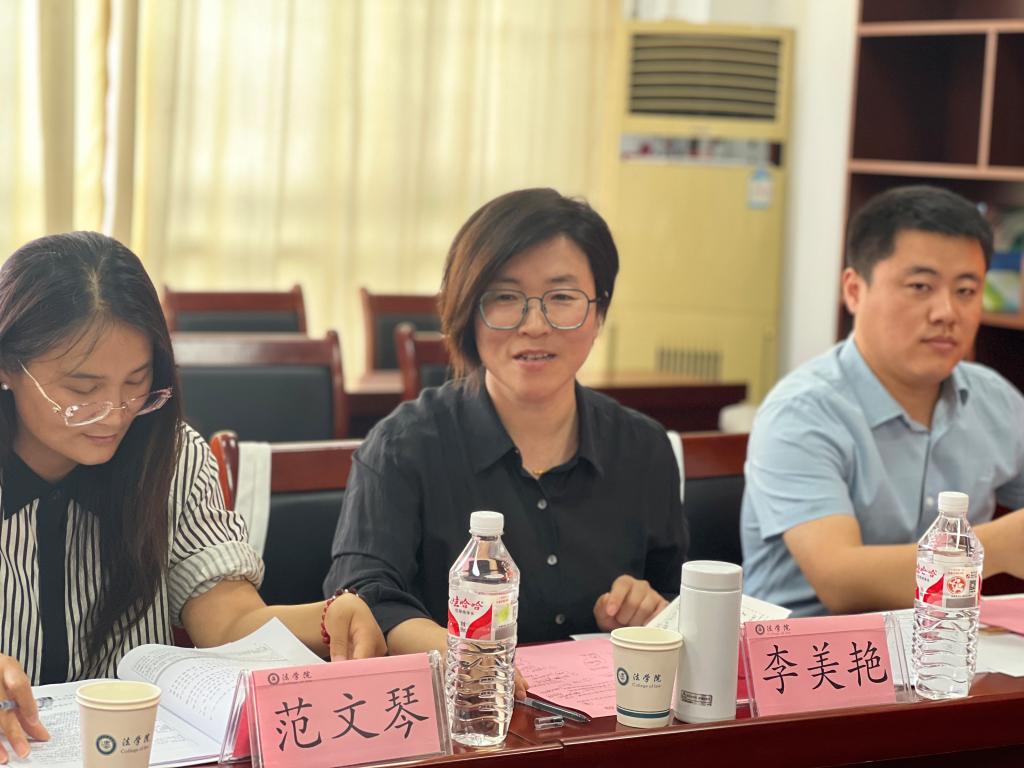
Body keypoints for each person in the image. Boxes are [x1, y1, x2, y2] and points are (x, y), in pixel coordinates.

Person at [0, 232, 386, 762]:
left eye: (136, 383)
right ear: (7, 366)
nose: (114, 415)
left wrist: (327, 618)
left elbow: (228, 622)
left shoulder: (171, 457)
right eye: (82, 390)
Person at [325, 188, 686, 663]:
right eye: (504, 297)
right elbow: (361, 602)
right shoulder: (401, 447)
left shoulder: (643, 448)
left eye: (562, 297)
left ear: (598, 312)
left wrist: (648, 610)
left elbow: (677, 601)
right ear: (467, 313)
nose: (534, 325)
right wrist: (472, 659)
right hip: (456, 702)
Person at [741, 185, 1024, 617]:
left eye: (966, 291)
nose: (947, 312)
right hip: (813, 650)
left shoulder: (994, 398)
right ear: (855, 290)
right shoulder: (802, 411)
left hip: (947, 646)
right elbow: (841, 581)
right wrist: (996, 546)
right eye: (920, 286)